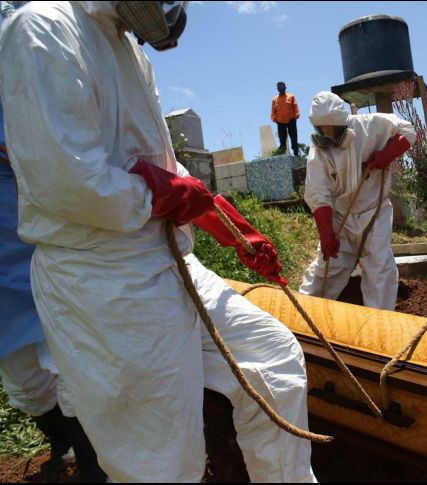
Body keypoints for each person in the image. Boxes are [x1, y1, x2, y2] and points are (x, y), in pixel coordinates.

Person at [0, 2, 314, 481]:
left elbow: (165, 165)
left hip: (167, 260)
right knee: (162, 464)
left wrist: (230, 228)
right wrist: (158, 193)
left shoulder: (129, 48)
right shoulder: (43, 30)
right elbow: (64, 181)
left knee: (273, 360)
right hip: (106, 281)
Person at [0, 1, 105, 481]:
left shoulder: (22, 40)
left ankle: (91, 460)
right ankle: (62, 441)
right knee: (23, 378)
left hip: (34, 236)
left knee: (67, 359)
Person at [299, 91, 416, 310]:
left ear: (344, 122)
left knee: (378, 266)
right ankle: (305, 312)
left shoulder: (370, 125)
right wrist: (326, 233)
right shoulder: (319, 152)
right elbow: (318, 193)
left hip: (374, 212)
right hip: (340, 216)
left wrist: (388, 153)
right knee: (328, 267)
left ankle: (380, 320)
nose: (329, 136)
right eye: (324, 130)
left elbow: (408, 131)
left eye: (333, 130)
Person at [271, 81, 301, 157]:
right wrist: (274, 118)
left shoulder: (291, 96)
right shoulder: (275, 99)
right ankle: (282, 151)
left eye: (282, 86)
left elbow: (295, 106)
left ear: (285, 87)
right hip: (280, 121)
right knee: (282, 138)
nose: (280, 88)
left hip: (291, 119)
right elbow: (273, 110)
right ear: (277, 89)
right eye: (279, 87)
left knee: (293, 137)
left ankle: (296, 152)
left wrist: (297, 114)